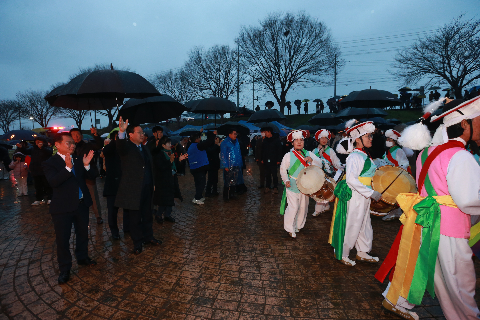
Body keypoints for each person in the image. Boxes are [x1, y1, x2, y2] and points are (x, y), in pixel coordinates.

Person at [377, 97, 480, 320]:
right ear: (465, 124)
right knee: (460, 285)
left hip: (427, 221)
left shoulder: (426, 153)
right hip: (450, 228)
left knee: (432, 273)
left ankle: (399, 299)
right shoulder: (461, 156)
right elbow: (469, 199)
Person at [42, 133, 98, 284]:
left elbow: (94, 175)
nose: (72, 145)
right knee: (63, 239)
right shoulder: (50, 163)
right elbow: (53, 182)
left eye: (73, 143)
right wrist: (67, 168)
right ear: (57, 145)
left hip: (81, 205)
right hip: (62, 208)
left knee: (83, 234)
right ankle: (65, 269)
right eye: (68, 143)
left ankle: (82, 257)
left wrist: (87, 165)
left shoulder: (79, 159)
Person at [328, 120, 382, 266]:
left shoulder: (365, 155)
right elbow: (351, 179)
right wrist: (370, 193)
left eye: (371, 136)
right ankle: (343, 253)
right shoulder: (354, 157)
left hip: (364, 195)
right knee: (352, 224)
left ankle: (363, 251)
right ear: (358, 139)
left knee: (364, 224)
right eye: (368, 136)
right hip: (356, 195)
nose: (371, 139)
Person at [116, 117, 161, 254]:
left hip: (147, 186)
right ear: (131, 135)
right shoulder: (127, 148)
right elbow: (120, 146)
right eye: (139, 132)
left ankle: (149, 237)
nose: (143, 135)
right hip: (133, 189)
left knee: (147, 214)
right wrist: (121, 132)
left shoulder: (145, 148)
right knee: (134, 218)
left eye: (143, 133)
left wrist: (152, 183)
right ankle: (137, 242)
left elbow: (150, 167)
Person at [279, 130, 323, 238]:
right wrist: (286, 180)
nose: (299, 142)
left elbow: (320, 164)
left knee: (303, 207)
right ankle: (290, 228)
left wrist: (312, 160)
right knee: (293, 207)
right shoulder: (288, 155)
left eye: (301, 140)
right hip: (292, 185)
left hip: (305, 186)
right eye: (296, 140)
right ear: (292, 142)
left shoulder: (309, 153)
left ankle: (299, 225)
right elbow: (283, 170)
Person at [70, 127, 104, 224]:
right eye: (73, 135)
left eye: (77, 134)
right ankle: (78, 216)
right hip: (75, 175)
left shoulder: (88, 145)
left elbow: (99, 145)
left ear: (81, 135)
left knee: (93, 195)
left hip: (88, 174)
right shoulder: (70, 147)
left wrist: (95, 134)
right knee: (76, 196)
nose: (76, 137)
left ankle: (98, 216)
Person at [152, 136, 187, 223]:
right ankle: (159, 215)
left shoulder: (171, 152)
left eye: (170, 143)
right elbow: (161, 167)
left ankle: (167, 215)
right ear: (163, 145)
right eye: (169, 144)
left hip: (172, 178)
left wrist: (179, 160)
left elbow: (174, 166)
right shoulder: (159, 154)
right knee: (164, 199)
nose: (170, 145)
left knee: (170, 197)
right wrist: (170, 161)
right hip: (163, 180)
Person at [379, 129, 411, 221]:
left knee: (395, 195)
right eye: (387, 139)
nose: (388, 141)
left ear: (395, 141)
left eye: (390, 140)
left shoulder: (398, 151)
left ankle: (394, 212)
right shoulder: (388, 151)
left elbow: (404, 164)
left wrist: (397, 172)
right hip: (389, 175)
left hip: (396, 176)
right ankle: (393, 212)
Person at [102, 131, 128, 240]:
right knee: (112, 211)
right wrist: (116, 140)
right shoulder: (109, 149)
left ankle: (127, 228)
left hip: (125, 184)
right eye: (122, 138)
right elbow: (106, 151)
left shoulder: (125, 149)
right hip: (112, 186)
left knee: (127, 208)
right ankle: (114, 231)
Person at [311, 130, 343, 216]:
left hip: (328, 175)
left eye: (326, 138)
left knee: (325, 190)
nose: (324, 140)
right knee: (318, 191)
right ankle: (325, 207)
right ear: (318, 139)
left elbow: (336, 161)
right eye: (322, 138)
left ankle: (319, 210)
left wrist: (341, 166)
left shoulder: (331, 151)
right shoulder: (314, 151)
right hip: (318, 175)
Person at [20, 137, 53, 205]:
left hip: (45, 169)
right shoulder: (33, 148)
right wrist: (21, 147)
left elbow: (50, 152)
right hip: (35, 169)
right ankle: (39, 199)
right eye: (36, 141)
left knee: (47, 184)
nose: (38, 142)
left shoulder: (47, 147)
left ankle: (50, 198)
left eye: (39, 141)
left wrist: (42, 147)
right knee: (38, 185)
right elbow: (26, 151)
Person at [187, 130, 215, 205]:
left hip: (194, 168)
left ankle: (199, 196)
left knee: (198, 183)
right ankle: (197, 198)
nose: (200, 139)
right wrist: (213, 134)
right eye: (199, 138)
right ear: (196, 139)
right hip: (199, 168)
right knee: (201, 183)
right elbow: (208, 142)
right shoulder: (198, 146)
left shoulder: (191, 145)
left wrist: (200, 132)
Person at [220, 129, 243, 200]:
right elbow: (223, 155)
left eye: (236, 134)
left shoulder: (237, 142)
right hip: (229, 165)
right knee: (227, 181)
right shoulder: (225, 143)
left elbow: (239, 153)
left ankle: (232, 194)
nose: (235, 135)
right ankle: (225, 196)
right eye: (234, 134)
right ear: (229, 134)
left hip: (236, 164)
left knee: (234, 181)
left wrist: (240, 163)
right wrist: (225, 165)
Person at [260, 127, 282, 193]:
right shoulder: (265, 140)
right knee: (267, 174)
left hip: (274, 160)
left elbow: (279, 150)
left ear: (269, 132)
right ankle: (268, 187)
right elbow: (262, 150)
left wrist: (279, 159)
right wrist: (262, 159)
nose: (265, 134)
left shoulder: (276, 140)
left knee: (274, 174)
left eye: (266, 132)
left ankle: (275, 187)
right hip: (266, 160)